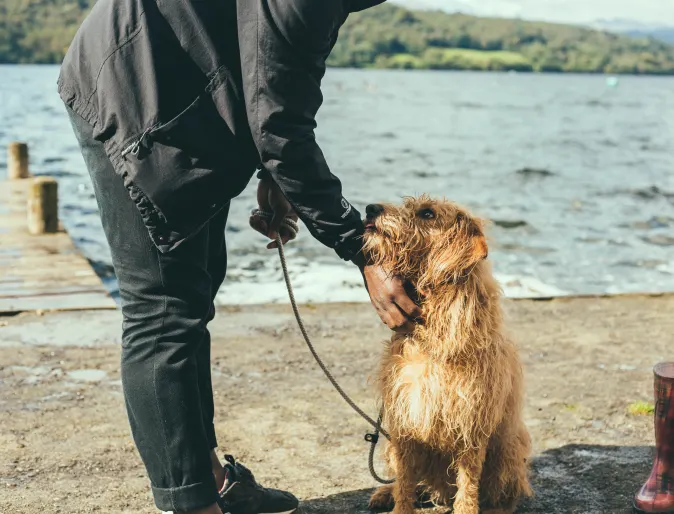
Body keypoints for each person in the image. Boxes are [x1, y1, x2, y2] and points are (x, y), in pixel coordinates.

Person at [58, 0, 421, 512]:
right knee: (164, 311)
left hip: (185, 86)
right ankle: (192, 504)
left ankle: (212, 481)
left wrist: (273, 176)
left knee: (195, 290)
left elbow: (279, 81)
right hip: (135, 83)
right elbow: (279, 126)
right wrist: (361, 250)